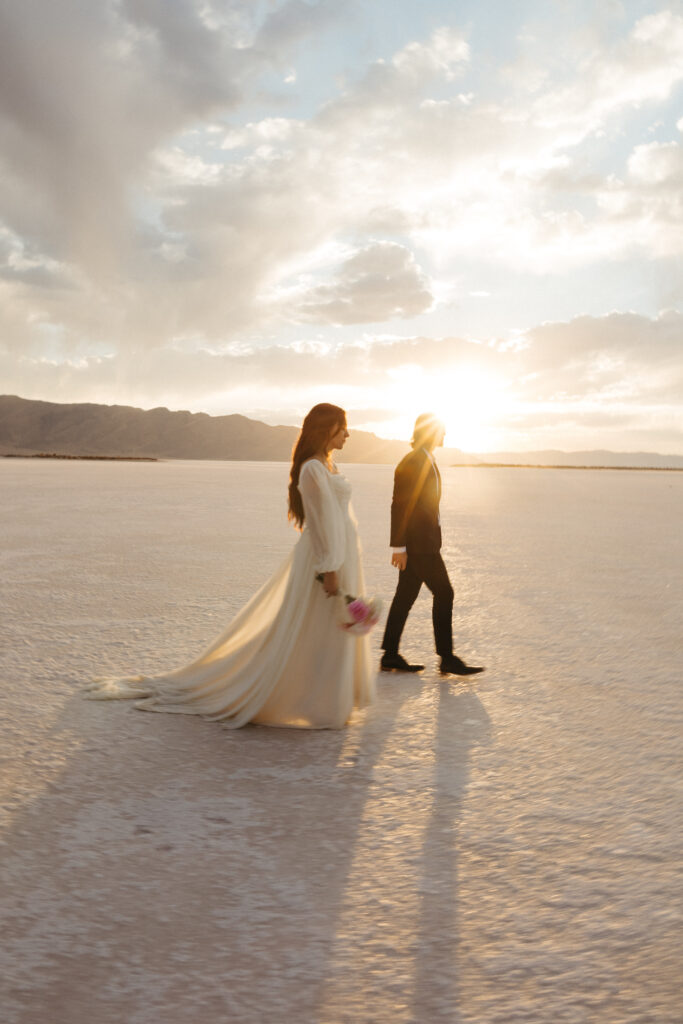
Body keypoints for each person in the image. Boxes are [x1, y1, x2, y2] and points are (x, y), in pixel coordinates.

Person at [85, 404, 375, 728]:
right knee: (314, 626)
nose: (348, 434)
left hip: (340, 553)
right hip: (327, 558)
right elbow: (321, 523)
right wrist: (329, 567)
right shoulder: (312, 469)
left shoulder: (327, 466)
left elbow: (335, 518)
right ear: (326, 430)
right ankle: (313, 701)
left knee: (325, 628)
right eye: (342, 427)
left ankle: (327, 697)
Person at [380, 413, 484, 677]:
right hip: (418, 545)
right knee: (445, 593)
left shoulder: (425, 459)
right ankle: (446, 657)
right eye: (441, 431)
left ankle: (390, 654)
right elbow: (400, 504)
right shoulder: (413, 462)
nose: (445, 435)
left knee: (405, 597)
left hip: (424, 542)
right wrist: (399, 547)